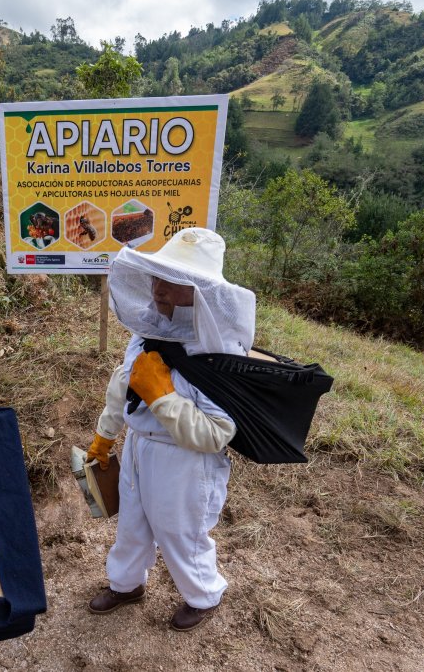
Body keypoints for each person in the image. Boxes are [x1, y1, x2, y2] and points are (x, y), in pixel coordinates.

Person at [85, 227, 256, 632]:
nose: (159, 289)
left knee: (180, 532)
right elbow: (121, 385)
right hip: (138, 447)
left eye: (174, 280)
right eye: (158, 276)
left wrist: (162, 397)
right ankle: (126, 585)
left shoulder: (218, 352)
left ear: (198, 291)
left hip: (185, 462)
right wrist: (105, 435)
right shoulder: (147, 328)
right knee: (131, 522)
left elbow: (216, 433)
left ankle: (204, 594)